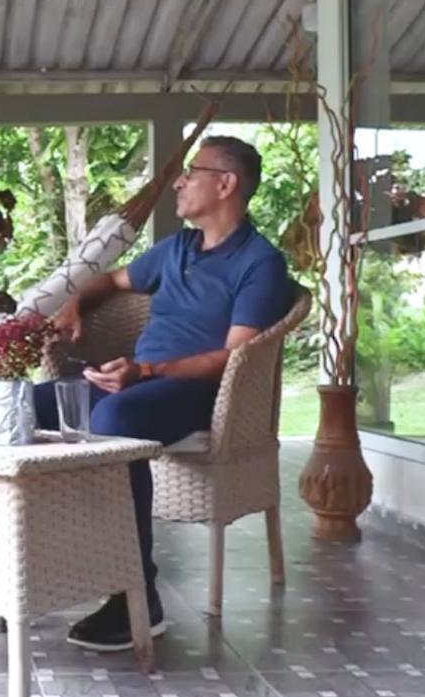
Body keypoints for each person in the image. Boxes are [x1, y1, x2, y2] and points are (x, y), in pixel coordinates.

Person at [41, 136, 292, 652]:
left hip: (198, 393)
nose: (178, 182)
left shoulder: (260, 264)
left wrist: (148, 369)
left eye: (191, 172)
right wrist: (73, 304)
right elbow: (110, 279)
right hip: (136, 382)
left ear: (226, 185)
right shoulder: (178, 247)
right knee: (25, 407)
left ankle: (136, 592)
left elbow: (233, 358)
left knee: (113, 422)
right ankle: (45, 564)